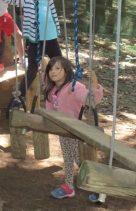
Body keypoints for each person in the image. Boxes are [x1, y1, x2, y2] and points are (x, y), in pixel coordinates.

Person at [40, 56, 104, 199]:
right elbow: (45, 80)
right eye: (51, 69)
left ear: (67, 71)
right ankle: (69, 187)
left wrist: (94, 83)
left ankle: (98, 185)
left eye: (57, 68)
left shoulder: (75, 87)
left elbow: (91, 100)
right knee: (68, 159)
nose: (53, 72)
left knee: (79, 159)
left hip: (75, 131)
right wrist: (45, 66)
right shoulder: (52, 87)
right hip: (62, 130)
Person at [2, 0, 65, 100]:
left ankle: (61, 93)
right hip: (35, 41)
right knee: (31, 70)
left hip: (51, 38)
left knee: (60, 66)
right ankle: (19, 96)